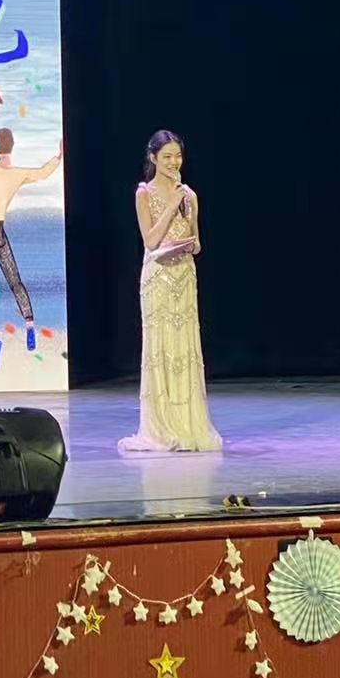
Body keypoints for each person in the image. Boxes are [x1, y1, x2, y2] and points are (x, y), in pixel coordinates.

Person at [119, 131, 222, 453]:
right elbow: (150, 241)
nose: (174, 162)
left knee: (185, 348)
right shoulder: (144, 193)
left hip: (184, 275)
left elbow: (197, 242)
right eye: (167, 157)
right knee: (161, 349)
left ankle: (188, 425)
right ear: (153, 158)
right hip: (158, 277)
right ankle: (162, 427)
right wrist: (172, 204)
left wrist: (190, 241)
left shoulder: (190, 195)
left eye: (178, 156)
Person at [0, 97, 63, 347]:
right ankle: (30, 324)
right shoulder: (17, 174)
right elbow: (42, 173)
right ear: (12, 146)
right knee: (15, 281)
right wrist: (59, 156)